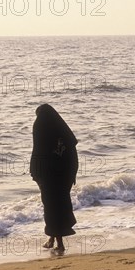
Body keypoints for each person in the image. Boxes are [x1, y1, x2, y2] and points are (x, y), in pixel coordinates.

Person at [30, 104, 78, 255]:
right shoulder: (64, 134)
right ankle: (52, 240)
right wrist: (71, 176)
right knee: (59, 207)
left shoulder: (40, 126)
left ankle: (60, 244)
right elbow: (72, 158)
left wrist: (35, 172)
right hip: (63, 177)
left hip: (48, 176)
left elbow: (38, 151)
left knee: (51, 208)